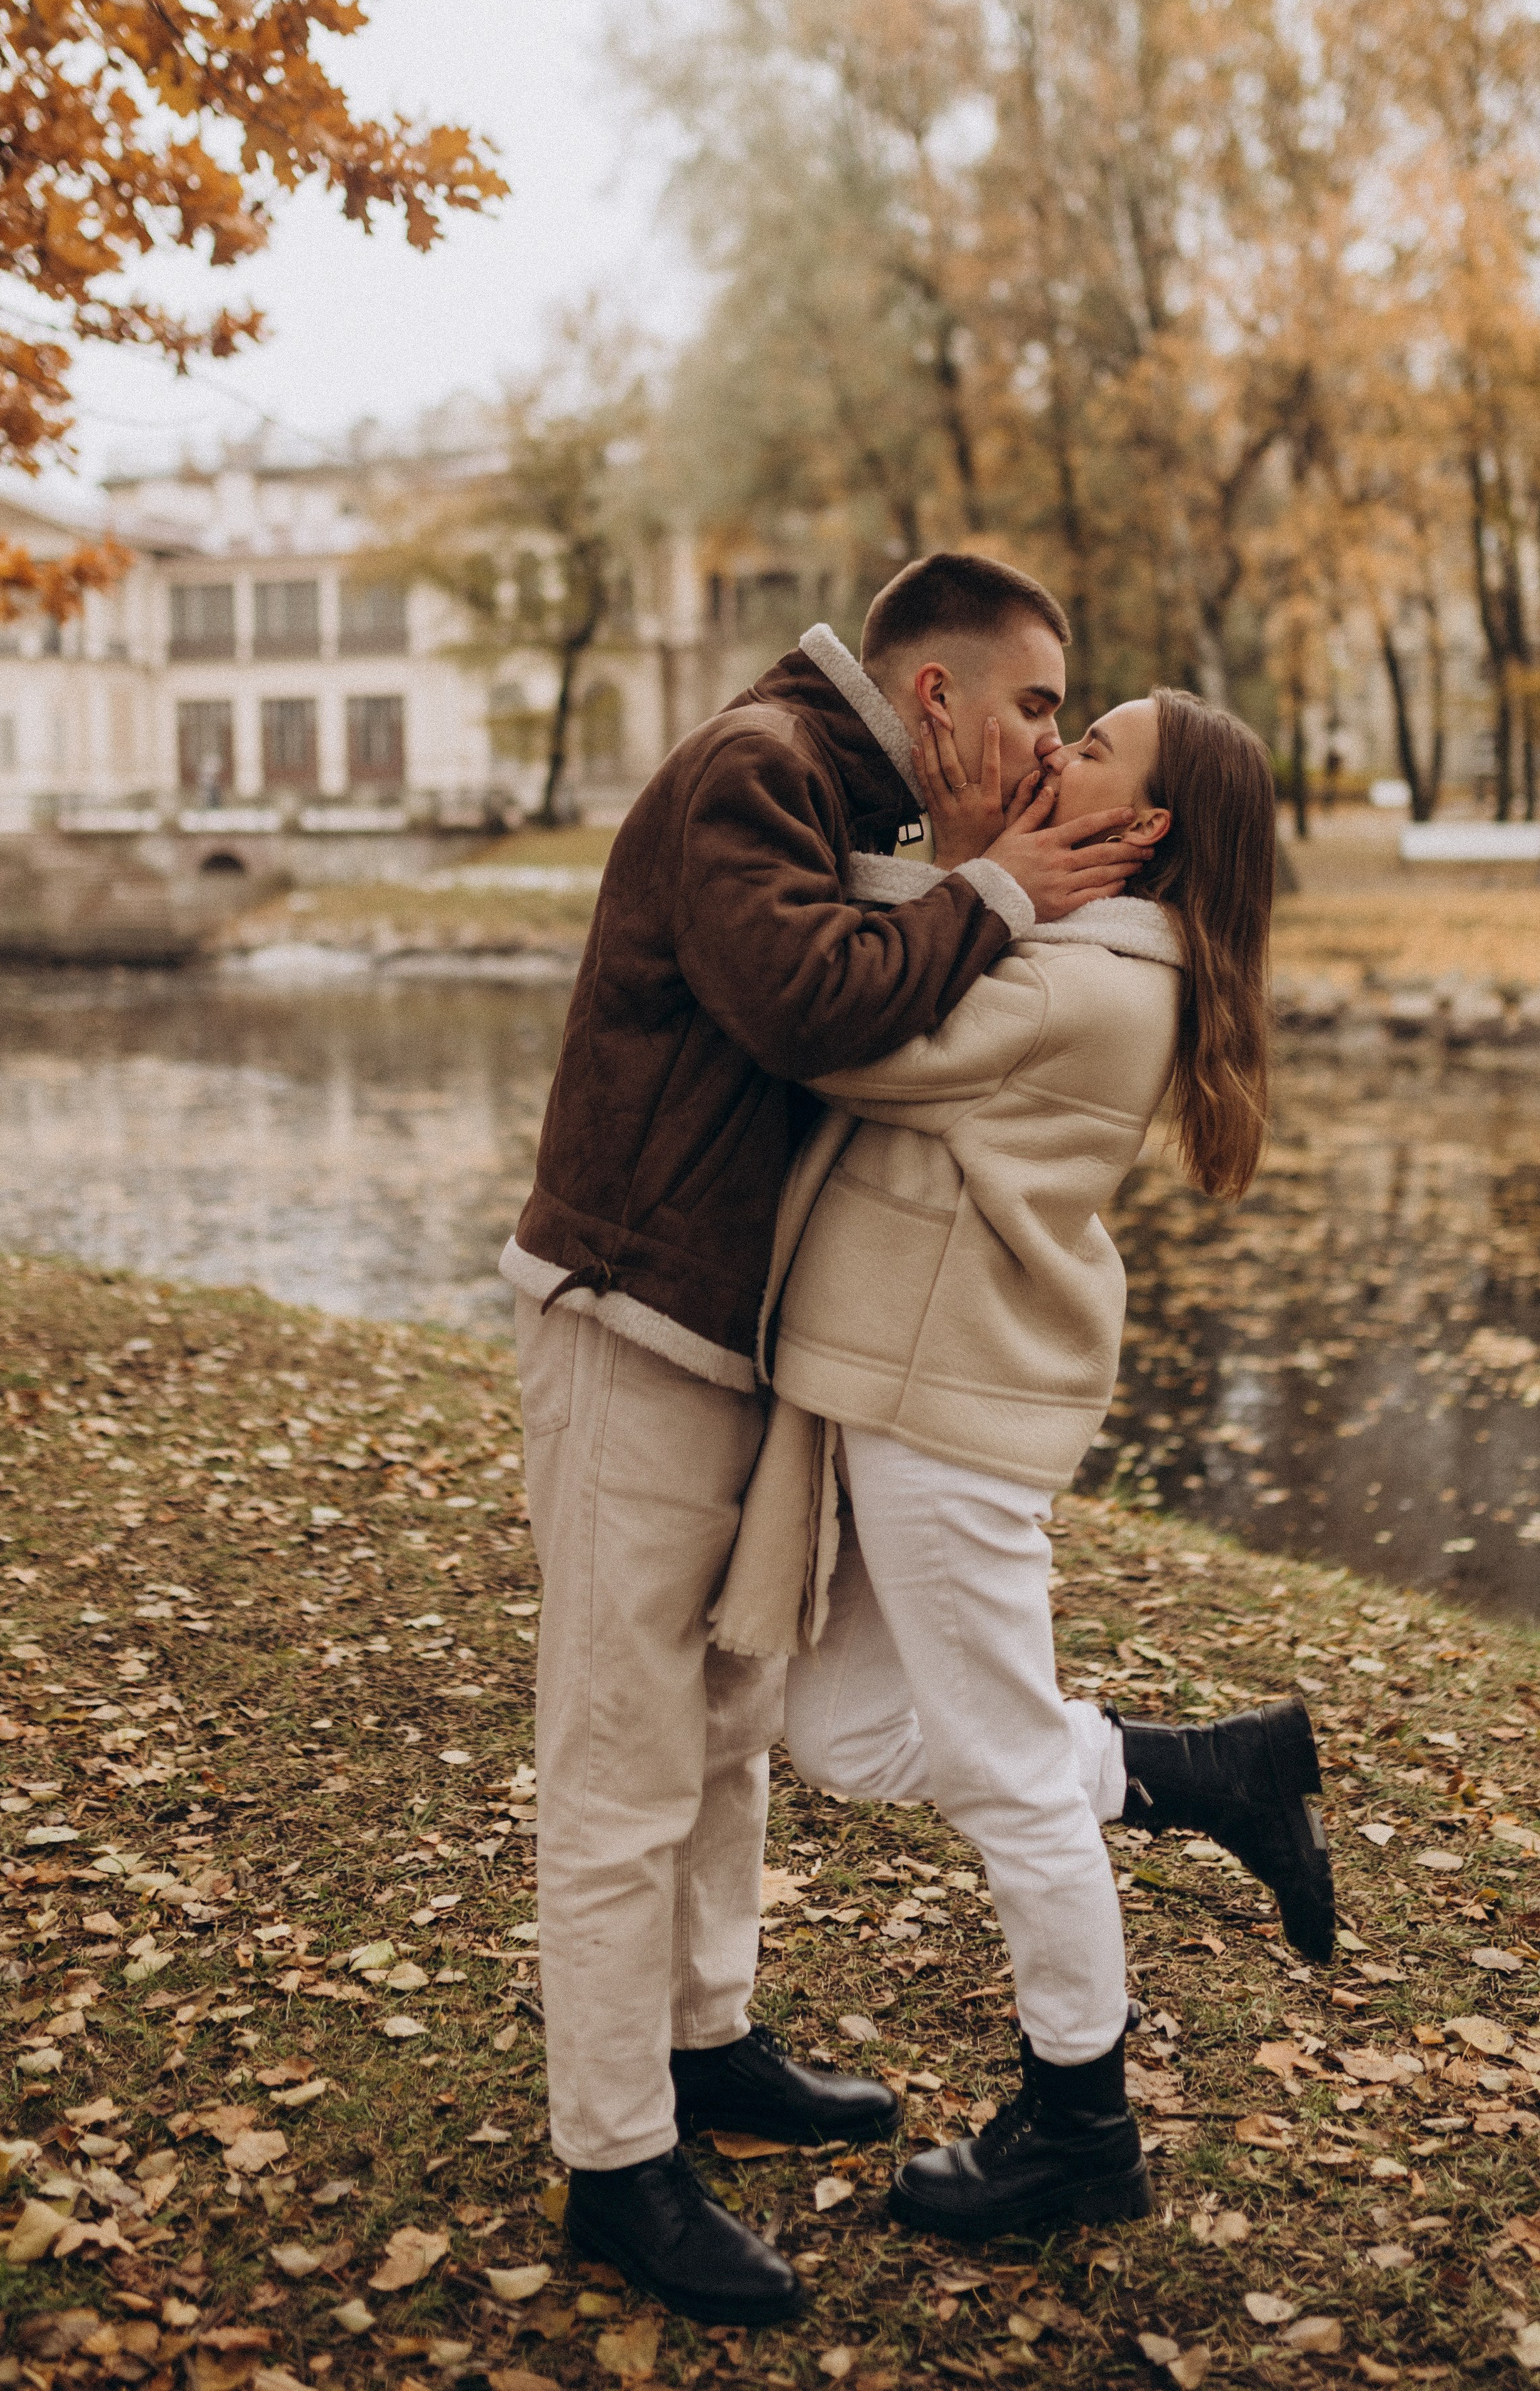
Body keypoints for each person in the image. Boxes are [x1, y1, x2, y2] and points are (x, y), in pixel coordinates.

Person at [501, 554, 1156, 2326]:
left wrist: (977, 888)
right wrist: (1004, 895)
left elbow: (892, 996)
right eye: (1034, 708)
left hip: (728, 1337)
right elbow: (806, 999)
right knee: (623, 1752)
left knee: (721, 1719)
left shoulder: (856, 804)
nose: (1044, 754)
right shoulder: (755, 771)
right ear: (930, 699)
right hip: (631, 1318)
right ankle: (615, 2157)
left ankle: (705, 2045)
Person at [720, 688, 1334, 2243]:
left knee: (1006, 1780)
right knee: (841, 1732)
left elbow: (849, 1042)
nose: (1053, 755)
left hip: (949, 1408)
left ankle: (1081, 2122)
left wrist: (806, 894)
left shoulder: (1097, 982)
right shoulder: (1081, 949)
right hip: (903, 1388)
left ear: (1145, 830)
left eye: (1091, 750)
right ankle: (1192, 1772)